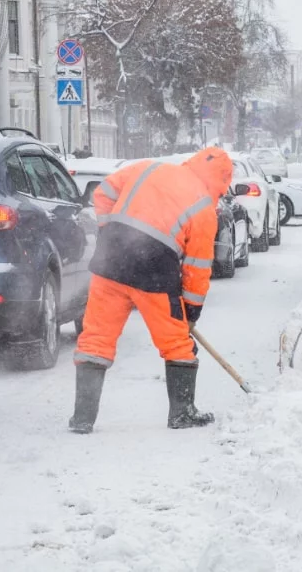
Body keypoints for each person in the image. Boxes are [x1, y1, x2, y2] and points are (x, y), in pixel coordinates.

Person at [69, 146, 234, 433]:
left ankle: (83, 418)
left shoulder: (148, 167)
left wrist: (110, 232)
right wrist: (191, 311)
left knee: (95, 337)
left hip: (110, 261)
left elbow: (103, 193)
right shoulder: (204, 208)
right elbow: (197, 266)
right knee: (176, 344)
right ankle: (182, 413)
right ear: (219, 182)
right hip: (155, 273)